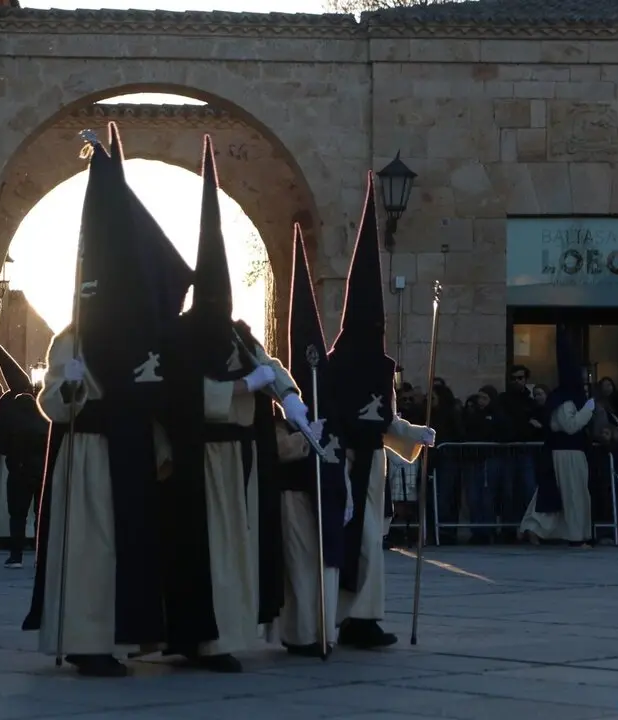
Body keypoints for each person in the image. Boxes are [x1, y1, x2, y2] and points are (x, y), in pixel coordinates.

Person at [22, 123, 194, 678]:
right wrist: (69, 386)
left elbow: (154, 395)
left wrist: (161, 441)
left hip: (131, 453)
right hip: (89, 453)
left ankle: (126, 635)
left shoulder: (143, 339)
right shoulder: (70, 337)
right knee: (89, 548)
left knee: (125, 547)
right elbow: (51, 401)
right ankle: (86, 640)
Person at [160, 136, 319, 673]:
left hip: (241, 462)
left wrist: (290, 396)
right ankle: (203, 641)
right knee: (205, 553)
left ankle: (227, 634)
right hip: (199, 462)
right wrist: (241, 390)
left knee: (235, 552)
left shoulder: (238, 333)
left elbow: (270, 367)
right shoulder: (181, 339)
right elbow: (183, 396)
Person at [328, 173, 435, 649]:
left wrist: (416, 433)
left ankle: (363, 617)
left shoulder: (380, 368)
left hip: (374, 468)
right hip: (349, 466)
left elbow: (383, 421)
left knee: (373, 543)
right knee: (355, 542)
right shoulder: (338, 366)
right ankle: (348, 617)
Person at [271, 224, 349, 657]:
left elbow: (338, 448)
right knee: (301, 568)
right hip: (296, 494)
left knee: (326, 566)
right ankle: (301, 633)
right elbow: (277, 447)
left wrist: (349, 487)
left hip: (329, 491)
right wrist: (302, 440)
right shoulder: (284, 395)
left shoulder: (331, 400)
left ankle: (326, 631)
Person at [519, 328, 596, 548]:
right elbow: (570, 426)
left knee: (567, 495)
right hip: (568, 452)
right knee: (572, 495)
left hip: (570, 452)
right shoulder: (565, 400)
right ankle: (576, 536)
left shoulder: (564, 398)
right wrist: (588, 410)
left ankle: (551, 530)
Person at [0, 326, 41, 567]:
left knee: (18, 513)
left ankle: (16, 555)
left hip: (19, 465)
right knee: (39, 513)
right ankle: (39, 554)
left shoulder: (7, 402)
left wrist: (3, 450)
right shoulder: (38, 398)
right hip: (38, 465)